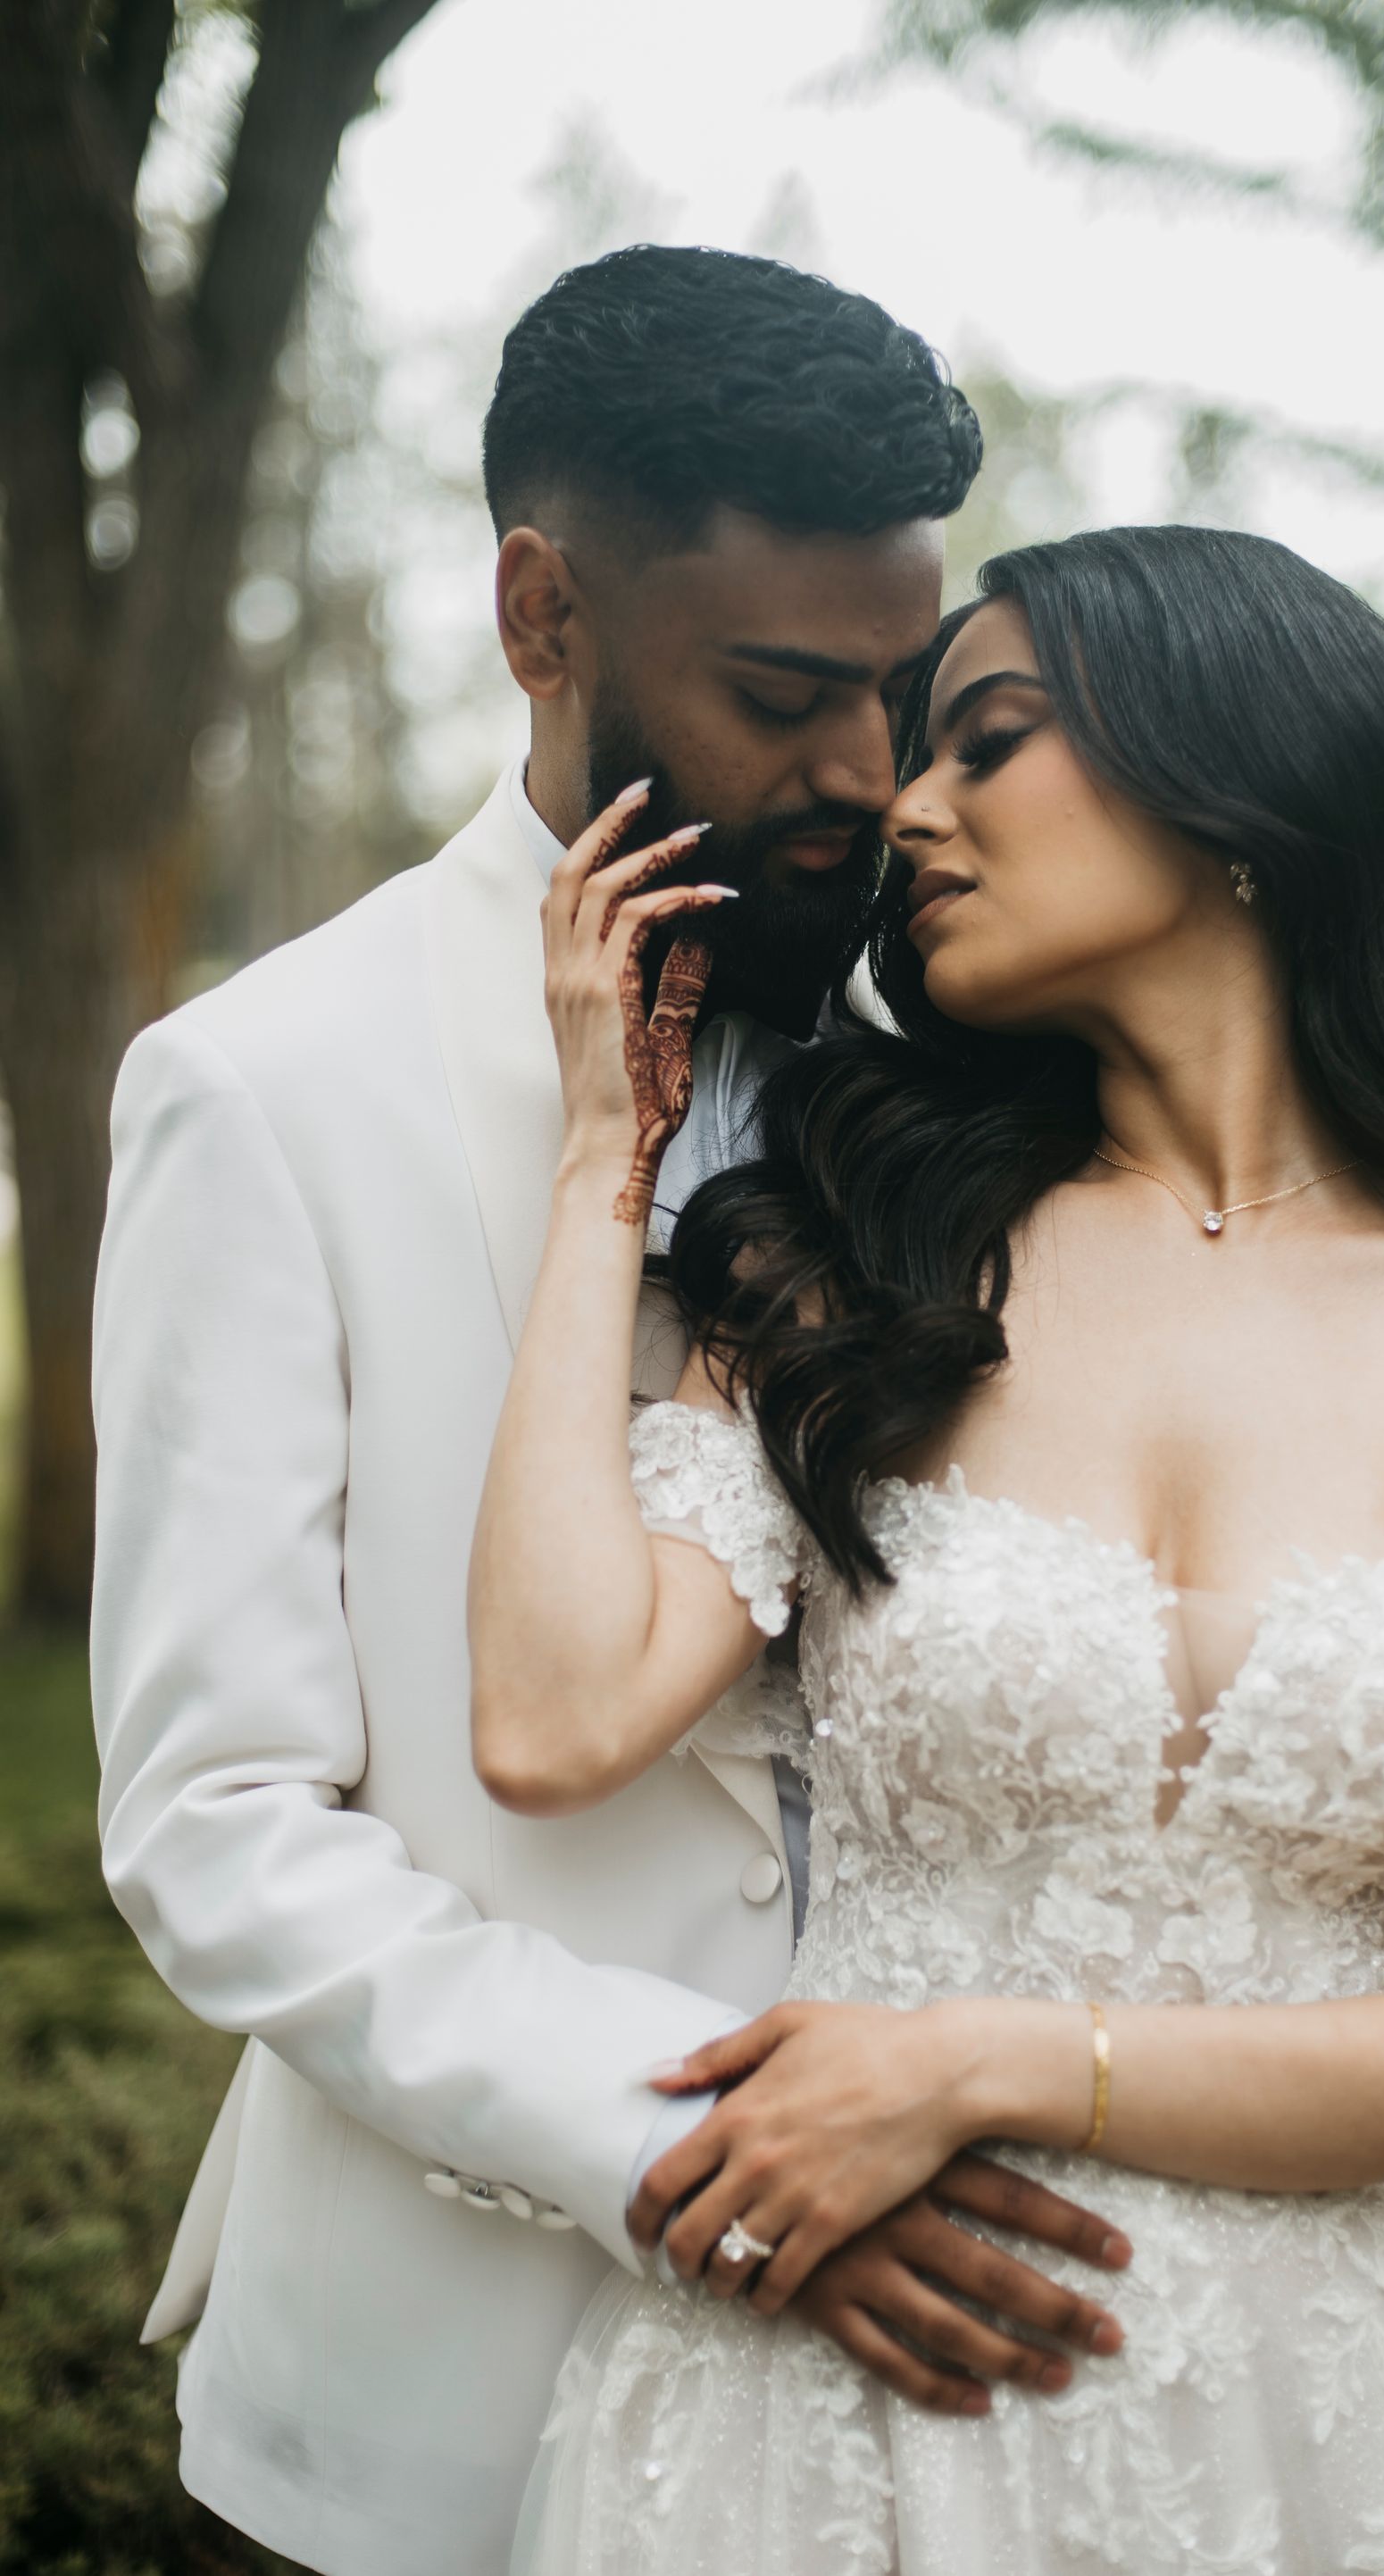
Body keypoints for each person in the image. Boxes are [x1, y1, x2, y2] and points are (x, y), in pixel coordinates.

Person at [472, 524, 1384, 2576]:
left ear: (1243, 796)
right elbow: (550, 1716)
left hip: (1321, 2428)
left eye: (989, 738)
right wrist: (609, 1160)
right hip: (823, 2410)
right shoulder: (857, 1252)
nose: (909, 806)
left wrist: (990, 2061)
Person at [89, 246, 1129, 2576]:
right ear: (542, 613)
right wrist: (686, 2151)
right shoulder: (265, 1084)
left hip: (956, 2413)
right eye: (782, 695)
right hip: (435, 2403)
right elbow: (218, 1820)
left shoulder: (967, 1054)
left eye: (900, 694)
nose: (861, 776)